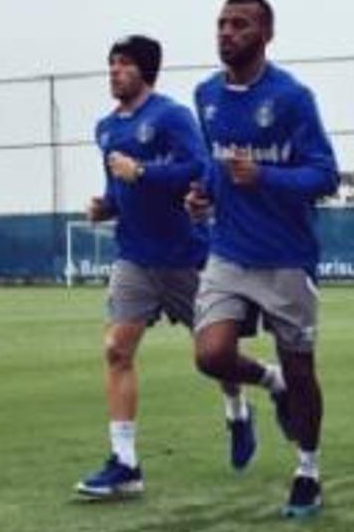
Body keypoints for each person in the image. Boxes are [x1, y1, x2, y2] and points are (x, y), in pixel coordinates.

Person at [74, 35, 250, 500]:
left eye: (124, 64)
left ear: (145, 71)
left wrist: (144, 174)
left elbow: (200, 171)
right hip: (134, 257)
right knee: (116, 349)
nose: (114, 71)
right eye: (111, 63)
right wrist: (105, 205)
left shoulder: (172, 117)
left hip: (187, 258)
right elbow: (119, 188)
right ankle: (126, 464)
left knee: (217, 359)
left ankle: (237, 408)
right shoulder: (106, 128)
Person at [188, 0, 340, 518]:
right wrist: (202, 191)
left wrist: (265, 176)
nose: (228, 33)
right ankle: (266, 382)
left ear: (266, 34)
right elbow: (216, 166)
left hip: (286, 257)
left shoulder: (293, 98)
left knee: (303, 372)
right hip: (228, 252)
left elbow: (325, 175)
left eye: (241, 25)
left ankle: (308, 470)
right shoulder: (205, 96)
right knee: (210, 355)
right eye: (222, 24)